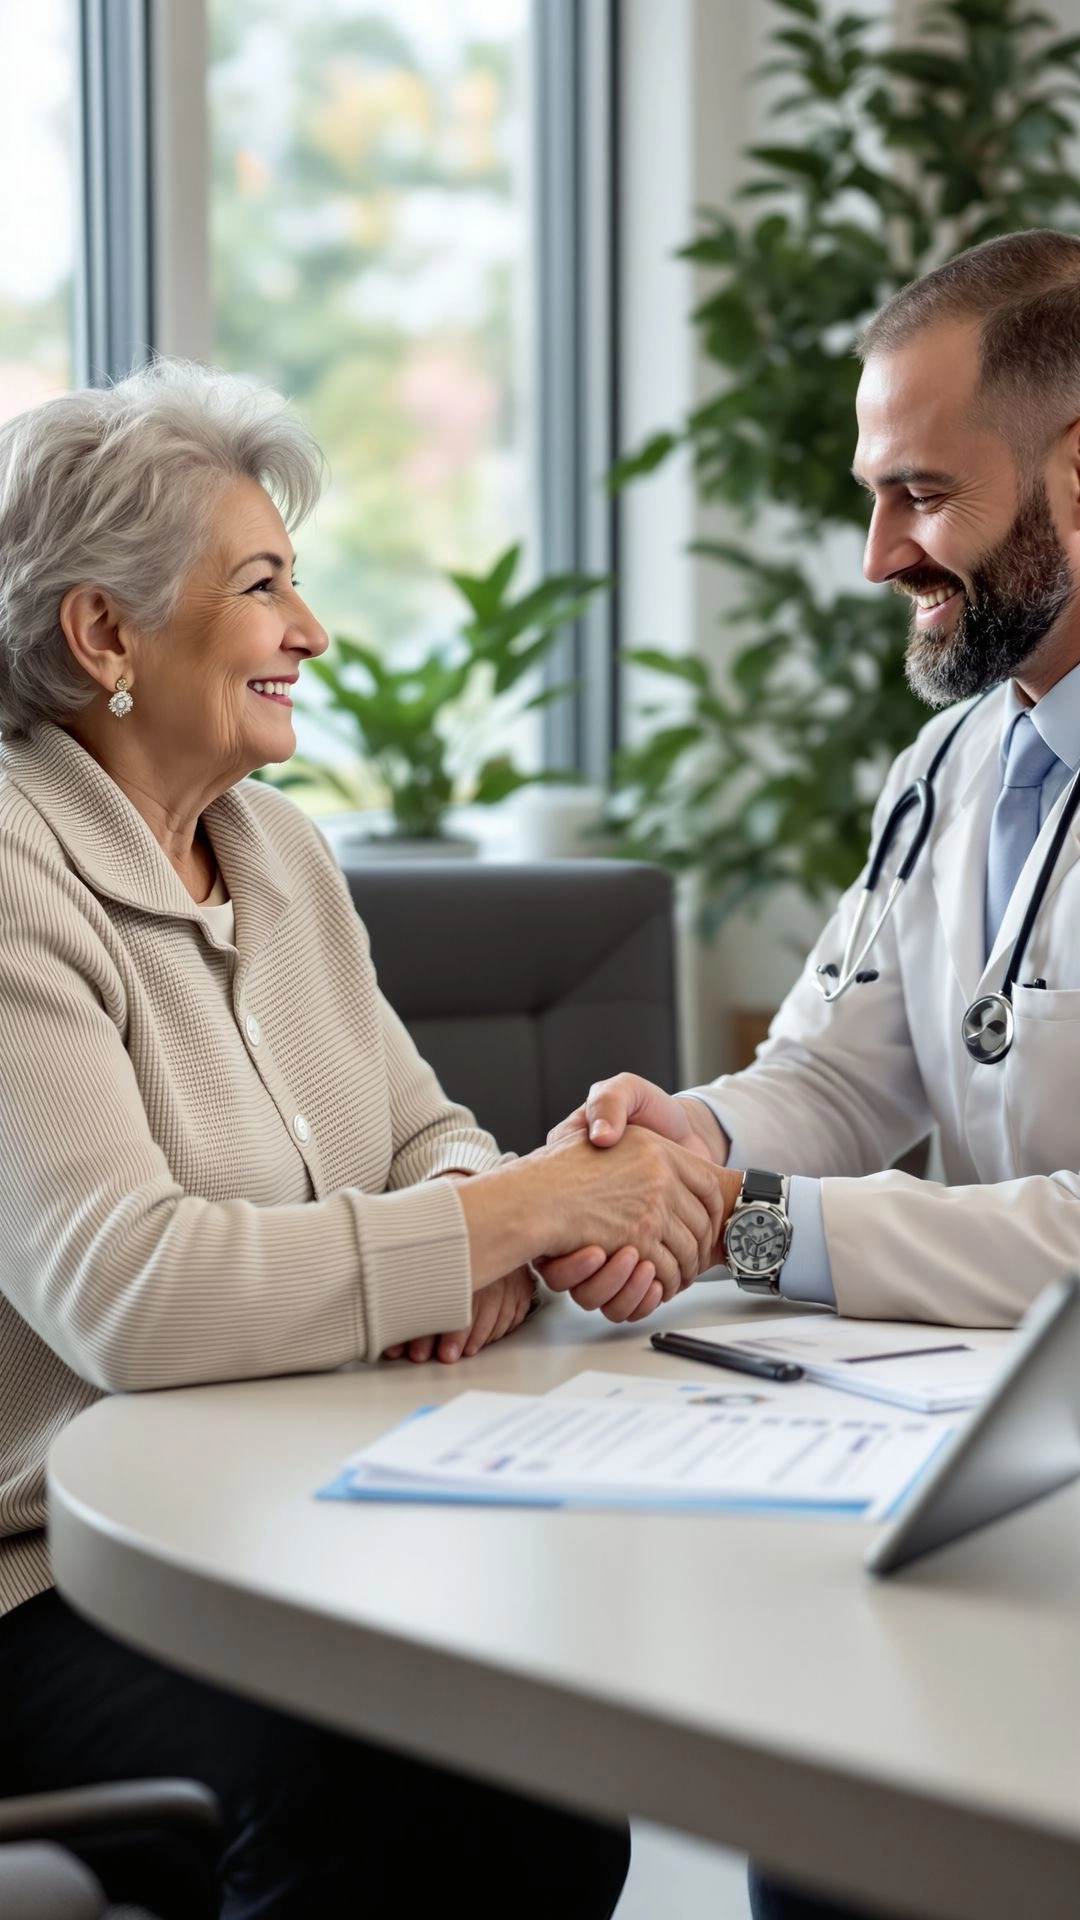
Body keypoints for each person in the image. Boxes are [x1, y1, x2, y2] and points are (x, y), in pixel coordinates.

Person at [0, 358, 728, 1918]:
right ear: (103, 632)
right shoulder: (11, 871)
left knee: (543, 1765)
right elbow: (128, 1293)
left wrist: (489, 1216)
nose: (310, 634)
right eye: (264, 586)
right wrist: (507, 1221)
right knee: (401, 1794)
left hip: (290, 1510)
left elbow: (429, 1135)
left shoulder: (277, 851)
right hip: (50, 1576)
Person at [539, 227, 1080, 1919]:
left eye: (921, 493)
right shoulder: (958, 760)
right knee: (834, 1842)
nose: (874, 556)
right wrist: (673, 1134)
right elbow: (841, 1079)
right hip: (994, 1469)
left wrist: (739, 1225)